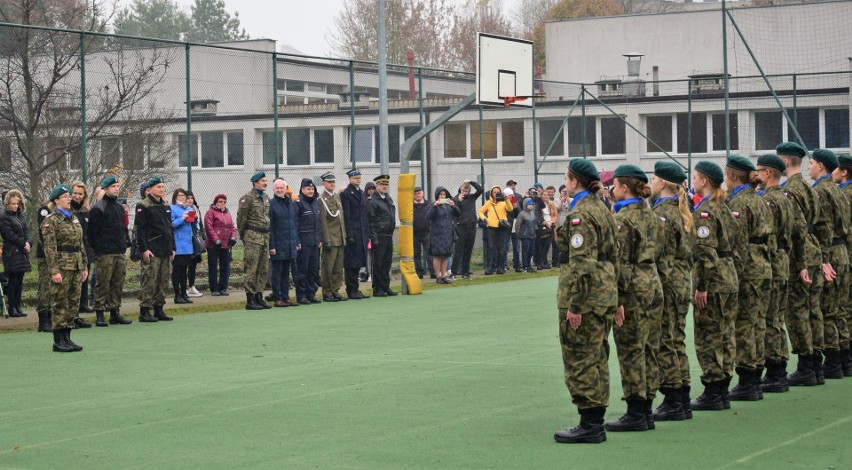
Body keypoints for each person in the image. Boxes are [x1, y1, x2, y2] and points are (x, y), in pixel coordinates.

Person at [553, 159, 617, 444]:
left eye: (567, 178)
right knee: (598, 355)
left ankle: (590, 423)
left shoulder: (581, 214)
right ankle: (596, 418)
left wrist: (575, 306)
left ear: (574, 181)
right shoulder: (602, 208)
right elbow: (613, 255)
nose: (565, 183)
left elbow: (581, 264)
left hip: (586, 297)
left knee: (581, 357)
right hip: (603, 292)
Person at [605, 165, 664, 433]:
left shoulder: (623, 219)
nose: (612, 190)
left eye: (614, 186)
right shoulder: (652, 216)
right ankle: (647, 406)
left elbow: (620, 261)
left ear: (624, 187)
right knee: (650, 346)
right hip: (652, 281)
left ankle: (636, 410)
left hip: (633, 288)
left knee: (631, 349)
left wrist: (616, 298)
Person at [689, 161, 739, 410]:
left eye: (696, 177)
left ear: (704, 181)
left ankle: (713, 390)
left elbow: (706, 252)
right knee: (726, 333)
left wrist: (701, 286)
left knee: (709, 335)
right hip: (728, 275)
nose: (693, 180)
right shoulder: (725, 207)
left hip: (715, 279)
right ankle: (723, 389)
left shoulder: (705, 211)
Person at [724, 155, 773, 401]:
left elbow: (739, 243)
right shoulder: (759, 200)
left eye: (726, 175)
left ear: (733, 176)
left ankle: (747, 380)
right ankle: (754, 378)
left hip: (749, 269)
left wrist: (736, 274)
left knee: (744, 324)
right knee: (758, 323)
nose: (725, 180)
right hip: (763, 265)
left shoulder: (739, 202)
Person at [649, 162, 694, 421]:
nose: (652, 182)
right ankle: (682, 396)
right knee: (676, 339)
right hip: (681, 281)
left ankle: (674, 399)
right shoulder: (680, 210)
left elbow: (660, 255)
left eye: (654, 178)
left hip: (668, 283)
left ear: (663, 183)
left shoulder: (663, 213)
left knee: (666, 340)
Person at [776, 142, 823, 386]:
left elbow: (797, 228)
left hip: (799, 254)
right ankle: (815, 362)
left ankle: (806, 363)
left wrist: (800, 261)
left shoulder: (791, 190)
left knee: (797, 311)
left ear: (785, 162)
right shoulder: (808, 185)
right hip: (814, 250)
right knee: (812, 309)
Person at [808, 149, 849, 378]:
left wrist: (823, 260)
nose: (809, 166)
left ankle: (834, 362)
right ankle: (843, 359)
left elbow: (822, 228)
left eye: (812, 162)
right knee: (840, 308)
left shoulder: (822, 191)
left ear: (821, 166)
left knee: (828, 309)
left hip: (830, 252)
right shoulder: (837, 190)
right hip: (841, 250)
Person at [756, 154, 794, 391]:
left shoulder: (769, 200)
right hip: (783, 258)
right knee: (777, 316)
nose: (756, 174)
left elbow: (768, 235)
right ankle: (779, 369)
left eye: (759, 170)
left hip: (772, 259)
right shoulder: (785, 197)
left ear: (768, 173)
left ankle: (774, 371)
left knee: (770, 317)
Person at [42, 184, 89, 352]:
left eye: (70, 196)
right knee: (60, 302)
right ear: (56, 200)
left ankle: (67, 337)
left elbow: (80, 243)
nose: (70, 199)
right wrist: (54, 271)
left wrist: (84, 265)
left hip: (76, 265)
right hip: (62, 266)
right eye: (66, 196)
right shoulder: (51, 221)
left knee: (73, 303)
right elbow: (50, 249)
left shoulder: (74, 218)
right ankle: (58, 340)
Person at [87, 177, 133, 326]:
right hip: (104, 252)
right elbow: (92, 233)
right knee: (103, 283)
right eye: (113, 186)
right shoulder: (98, 208)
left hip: (118, 250)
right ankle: (100, 313)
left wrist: (124, 243)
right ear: (105, 189)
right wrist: (98, 249)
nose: (116, 189)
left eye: (117, 186)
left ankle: (115, 312)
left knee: (117, 283)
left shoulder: (119, 207)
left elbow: (122, 228)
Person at [135, 176, 175, 322]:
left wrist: (173, 247)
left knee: (163, 281)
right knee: (150, 280)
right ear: (150, 189)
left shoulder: (165, 205)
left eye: (163, 187)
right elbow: (140, 230)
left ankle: (159, 308)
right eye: (158, 187)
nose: (162, 189)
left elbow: (170, 228)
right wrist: (144, 249)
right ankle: (145, 310)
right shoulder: (143, 205)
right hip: (152, 248)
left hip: (165, 248)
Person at [237, 172, 272, 310]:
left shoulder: (266, 197)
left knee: (263, 269)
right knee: (251, 268)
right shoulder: (248, 198)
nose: (265, 183)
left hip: (264, 236)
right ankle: (250, 298)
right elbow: (241, 219)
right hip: (253, 236)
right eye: (263, 181)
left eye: (266, 180)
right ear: (255, 182)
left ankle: (259, 296)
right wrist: (244, 236)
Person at [832, 154, 852, 375]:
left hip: (843, 253)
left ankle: (841, 360)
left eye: (837, 169)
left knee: (839, 308)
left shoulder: (844, 195)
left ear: (844, 171)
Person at [268, 179, 300, 308]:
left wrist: (296, 241)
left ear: (285, 188)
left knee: (286, 273)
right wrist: (272, 246)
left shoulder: (290, 203)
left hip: (289, 244)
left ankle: (286, 297)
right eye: (277, 188)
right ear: (274, 189)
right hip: (278, 244)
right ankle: (278, 298)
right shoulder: (271, 204)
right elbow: (270, 227)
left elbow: (294, 224)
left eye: (282, 187)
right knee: (277, 273)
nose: (280, 190)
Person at [0, 189, 32, 318]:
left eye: (17, 204)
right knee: (13, 280)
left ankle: (18, 306)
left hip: (22, 252)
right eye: (13, 203)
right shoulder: (4, 217)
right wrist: (23, 243)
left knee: (20, 280)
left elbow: (27, 231)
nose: (15, 206)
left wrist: (29, 242)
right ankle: (12, 307)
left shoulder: (20, 216)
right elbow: (8, 234)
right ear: (8, 203)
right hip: (12, 252)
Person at [340, 169, 371, 300]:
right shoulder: (346, 194)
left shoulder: (362, 193)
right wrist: (350, 234)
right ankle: (351, 289)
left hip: (362, 232)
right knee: (351, 264)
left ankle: (356, 289)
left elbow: (365, 214)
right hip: (353, 232)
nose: (358, 180)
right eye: (355, 178)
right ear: (350, 179)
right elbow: (346, 215)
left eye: (359, 178)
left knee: (358, 263)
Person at [318, 172, 347, 302]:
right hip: (331, 238)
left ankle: (335, 290)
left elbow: (341, 218)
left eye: (333, 182)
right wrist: (326, 240)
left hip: (340, 238)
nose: (332, 184)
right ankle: (327, 292)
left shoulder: (336, 197)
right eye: (329, 182)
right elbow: (323, 222)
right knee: (327, 268)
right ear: (324, 183)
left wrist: (344, 236)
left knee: (338, 268)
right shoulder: (321, 199)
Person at [69, 181, 95, 327]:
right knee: (74, 283)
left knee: (85, 278)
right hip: (72, 252)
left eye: (80, 194)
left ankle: (83, 304)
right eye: (75, 193)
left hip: (86, 250)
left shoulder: (86, 211)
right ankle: (74, 313)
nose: (77, 196)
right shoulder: (68, 210)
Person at [369, 175, 397, 297]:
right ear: (376, 186)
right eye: (382, 184)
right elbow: (371, 221)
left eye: (386, 184)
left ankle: (386, 286)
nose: (384, 186)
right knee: (378, 263)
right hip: (379, 235)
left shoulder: (388, 199)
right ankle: (377, 288)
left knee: (387, 262)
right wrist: (373, 237)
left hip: (388, 234)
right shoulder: (373, 201)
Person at [295, 178, 322, 304]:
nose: (310, 191)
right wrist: (297, 240)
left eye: (312, 189)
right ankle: (302, 295)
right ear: (302, 190)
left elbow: (319, 223)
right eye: (308, 189)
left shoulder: (315, 203)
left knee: (313, 270)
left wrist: (319, 239)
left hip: (315, 243)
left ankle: (311, 293)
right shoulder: (299, 203)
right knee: (302, 270)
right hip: (304, 243)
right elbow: (295, 223)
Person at [204, 194, 236, 296]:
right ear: (216, 202)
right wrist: (215, 240)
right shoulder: (210, 212)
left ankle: (223, 287)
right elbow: (209, 227)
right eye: (220, 201)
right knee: (213, 266)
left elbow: (232, 227)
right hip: (214, 245)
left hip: (226, 244)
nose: (222, 204)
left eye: (224, 202)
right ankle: (214, 288)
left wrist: (233, 237)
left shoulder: (228, 213)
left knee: (225, 266)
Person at [427, 186, 459, 284]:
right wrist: (434, 206)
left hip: (448, 233)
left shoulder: (449, 206)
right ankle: (438, 276)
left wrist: (454, 206)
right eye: (440, 194)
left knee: (446, 255)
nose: (442, 196)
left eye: (444, 194)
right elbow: (428, 216)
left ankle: (444, 275)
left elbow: (458, 213)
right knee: (437, 255)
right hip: (437, 234)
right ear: (437, 196)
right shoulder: (433, 205)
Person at [478, 185, 514, 275]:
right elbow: (480, 212)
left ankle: (500, 267)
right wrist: (485, 219)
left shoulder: (503, 202)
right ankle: (490, 267)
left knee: (501, 248)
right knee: (491, 248)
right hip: (491, 227)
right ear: (491, 193)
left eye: (498, 192)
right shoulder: (488, 203)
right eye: (494, 192)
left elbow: (510, 208)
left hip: (502, 228)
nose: (496, 193)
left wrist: (506, 199)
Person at [451, 179, 483, 280]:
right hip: (461, 227)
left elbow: (480, 189)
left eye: (466, 191)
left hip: (472, 226)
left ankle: (466, 272)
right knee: (458, 251)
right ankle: (453, 272)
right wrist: (459, 202)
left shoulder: (472, 197)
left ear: (469, 191)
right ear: (460, 190)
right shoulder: (455, 199)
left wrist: (471, 182)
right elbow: (455, 211)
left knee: (468, 251)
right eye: (463, 191)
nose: (464, 193)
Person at [170, 188, 195, 305]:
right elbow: (171, 224)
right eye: (180, 196)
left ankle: (184, 294)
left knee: (184, 271)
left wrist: (194, 219)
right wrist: (182, 218)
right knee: (177, 271)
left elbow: (192, 225)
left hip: (187, 244)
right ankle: (177, 294)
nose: (183, 198)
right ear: (175, 197)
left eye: (184, 196)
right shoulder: (172, 208)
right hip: (177, 244)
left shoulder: (189, 208)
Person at [34, 197, 54, 332]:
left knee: (54, 289)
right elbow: (44, 235)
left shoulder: (63, 213)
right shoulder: (44, 211)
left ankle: (52, 317)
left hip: (58, 256)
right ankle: (43, 320)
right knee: (45, 287)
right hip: (45, 256)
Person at [413, 187, 435, 279]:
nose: (418, 195)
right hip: (414, 233)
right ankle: (419, 272)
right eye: (416, 194)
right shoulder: (410, 206)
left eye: (419, 193)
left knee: (429, 252)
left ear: (422, 194)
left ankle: (433, 271)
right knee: (416, 253)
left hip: (427, 232)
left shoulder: (429, 204)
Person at [185, 191, 204, 298]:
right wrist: (193, 217)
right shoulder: (185, 210)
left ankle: (191, 286)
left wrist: (203, 236)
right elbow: (189, 224)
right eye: (188, 198)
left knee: (193, 264)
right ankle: (184, 288)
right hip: (188, 240)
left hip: (196, 239)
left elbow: (200, 224)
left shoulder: (196, 209)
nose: (190, 200)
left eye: (192, 198)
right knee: (186, 264)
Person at [515, 198, 537, 273]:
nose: (531, 206)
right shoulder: (521, 214)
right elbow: (517, 225)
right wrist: (519, 234)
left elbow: (534, 225)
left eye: (532, 204)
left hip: (532, 235)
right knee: (525, 252)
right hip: (525, 236)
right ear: (525, 205)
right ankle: (525, 266)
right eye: (529, 204)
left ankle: (529, 265)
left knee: (531, 251)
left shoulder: (532, 213)